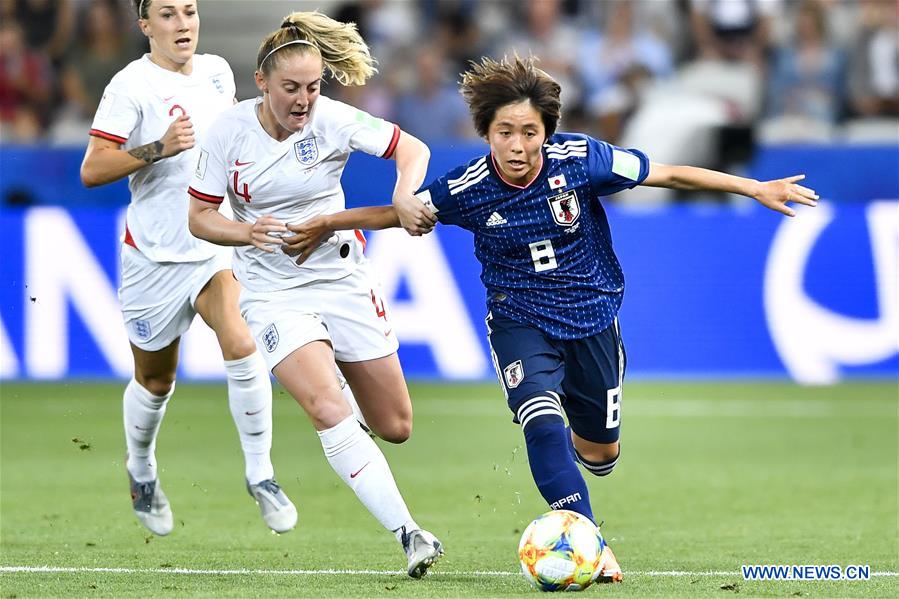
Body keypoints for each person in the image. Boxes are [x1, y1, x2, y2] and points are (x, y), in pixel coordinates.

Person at [283, 55, 819, 583]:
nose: (517, 146)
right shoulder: (467, 188)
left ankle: (578, 462)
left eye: (530, 132)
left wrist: (754, 187)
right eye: (504, 133)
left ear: (547, 131)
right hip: (519, 321)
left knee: (600, 453)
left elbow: (669, 173)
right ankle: (589, 539)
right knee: (541, 422)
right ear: (486, 134)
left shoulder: (583, 158)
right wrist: (329, 220)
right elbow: (396, 213)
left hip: (592, 320)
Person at [186, 11, 443, 578]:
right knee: (328, 408)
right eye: (291, 89)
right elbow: (200, 218)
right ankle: (410, 534)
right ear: (262, 82)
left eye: (313, 87)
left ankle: (345, 422)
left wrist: (404, 193)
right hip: (273, 290)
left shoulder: (332, 120)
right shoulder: (228, 133)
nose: (304, 101)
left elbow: (412, 149)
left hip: (342, 278)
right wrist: (245, 231)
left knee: (396, 425)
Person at [79, 0, 297, 537]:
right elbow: (92, 168)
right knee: (156, 380)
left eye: (191, 11)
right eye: (169, 14)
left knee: (241, 341)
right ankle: (142, 467)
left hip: (209, 243)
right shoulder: (130, 87)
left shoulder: (219, 72)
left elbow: (235, 141)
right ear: (145, 26)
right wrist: (156, 147)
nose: (184, 25)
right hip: (153, 255)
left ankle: (262, 474)